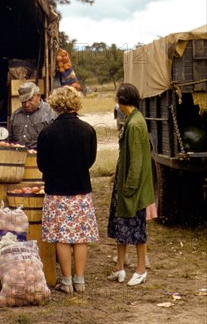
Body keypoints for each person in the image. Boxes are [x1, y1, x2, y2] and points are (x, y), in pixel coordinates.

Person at [37, 86, 99, 294]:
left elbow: (42, 165)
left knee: (62, 238)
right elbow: (90, 160)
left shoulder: (47, 132)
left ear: (55, 105)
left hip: (56, 191)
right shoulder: (88, 130)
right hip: (81, 189)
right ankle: (80, 280)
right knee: (81, 237)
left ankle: (66, 281)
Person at [107, 83, 154, 286]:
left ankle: (141, 268)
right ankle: (119, 267)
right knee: (121, 225)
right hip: (125, 182)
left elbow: (136, 162)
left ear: (122, 100)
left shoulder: (135, 124)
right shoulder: (131, 120)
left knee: (136, 227)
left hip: (132, 187)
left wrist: (129, 188)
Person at [10, 81, 57, 149]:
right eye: (23, 101)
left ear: (38, 96)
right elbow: (11, 139)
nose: (26, 104)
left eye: (30, 100)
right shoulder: (16, 114)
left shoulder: (50, 112)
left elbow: (55, 139)